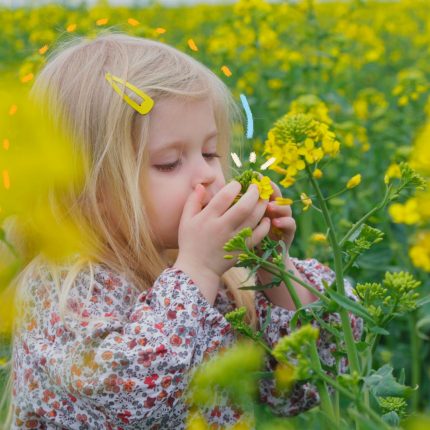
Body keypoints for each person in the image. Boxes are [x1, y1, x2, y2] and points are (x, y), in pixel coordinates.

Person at [5, 33, 362, 429]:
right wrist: (197, 272)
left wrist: (273, 269)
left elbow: (309, 383)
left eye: (210, 153)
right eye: (170, 162)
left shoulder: (222, 280)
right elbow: (130, 400)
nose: (208, 175)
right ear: (89, 188)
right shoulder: (63, 290)